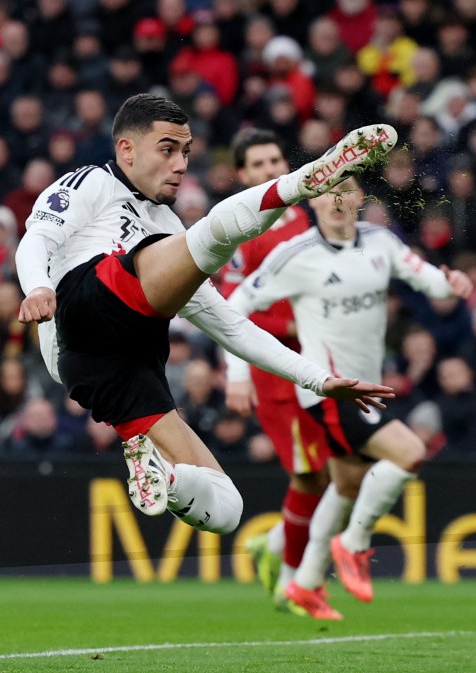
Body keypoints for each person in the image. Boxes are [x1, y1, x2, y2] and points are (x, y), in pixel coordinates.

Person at [15, 93, 397, 537]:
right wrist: (37, 286)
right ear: (127, 149)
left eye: (186, 152)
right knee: (208, 239)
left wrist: (318, 380)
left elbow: (232, 326)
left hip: (113, 373)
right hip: (81, 313)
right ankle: (306, 180)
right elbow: (35, 239)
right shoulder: (91, 183)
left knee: (226, 508)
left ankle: (163, 476)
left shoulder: (167, 230)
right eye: (167, 150)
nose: (180, 164)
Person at [224, 175, 473, 619]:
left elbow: (427, 279)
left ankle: (303, 585)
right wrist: (238, 373)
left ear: (360, 198)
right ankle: (353, 544)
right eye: (326, 192)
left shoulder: (381, 242)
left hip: (369, 391)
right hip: (328, 392)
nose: (337, 199)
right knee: (410, 453)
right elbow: (234, 306)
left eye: (346, 191)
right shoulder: (295, 256)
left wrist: (448, 282)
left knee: (346, 485)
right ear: (312, 202)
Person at [218, 128, 333, 609]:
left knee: (327, 477)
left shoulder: (307, 217)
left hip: (321, 363)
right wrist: (237, 374)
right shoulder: (242, 233)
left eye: (275, 161)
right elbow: (227, 307)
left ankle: (276, 551)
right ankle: (292, 577)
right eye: (258, 165)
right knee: (316, 476)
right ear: (243, 175)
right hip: (277, 372)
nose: (270, 171)